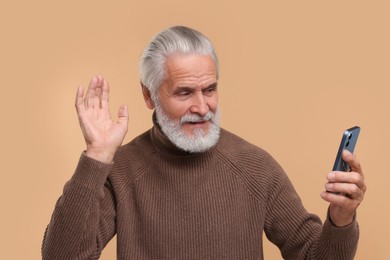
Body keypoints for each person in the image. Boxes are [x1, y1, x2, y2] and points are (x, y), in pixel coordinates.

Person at [42, 26, 366, 260]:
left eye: (209, 89)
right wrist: (96, 157)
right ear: (149, 95)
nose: (202, 106)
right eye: (184, 92)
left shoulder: (256, 166)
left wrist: (341, 219)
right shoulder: (122, 170)